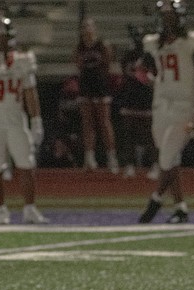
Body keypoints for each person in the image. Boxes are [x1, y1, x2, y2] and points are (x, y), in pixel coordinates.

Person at [138, 0, 194, 224]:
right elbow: (143, 72)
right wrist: (151, 80)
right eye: (164, 16)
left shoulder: (192, 43)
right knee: (170, 159)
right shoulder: (154, 45)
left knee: (167, 157)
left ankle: (155, 199)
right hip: (160, 105)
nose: (167, 21)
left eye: (171, 16)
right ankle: (180, 208)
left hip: (184, 105)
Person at [0, 14, 48, 225]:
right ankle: (1, 210)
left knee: (26, 164)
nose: (0, 42)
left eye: (3, 38)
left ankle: (30, 208)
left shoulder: (23, 62)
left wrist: (36, 120)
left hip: (16, 121)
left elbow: (31, 94)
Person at [74, 16, 119, 173]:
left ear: (94, 28)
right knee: (87, 123)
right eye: (84, 27)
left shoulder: (102, 45)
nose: (87, 29)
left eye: (89, 26)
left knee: (104, 122)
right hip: (86, 85)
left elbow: (108, 63)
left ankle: (111, 157)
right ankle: (89, 158)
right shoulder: (80, 47)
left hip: (100, 85)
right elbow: (78, 65)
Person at [116, 24, 157, 179]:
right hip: (130, 98)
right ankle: (130, 164)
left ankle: (154, 164)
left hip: (146, 98)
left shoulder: (149, 57)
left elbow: (153, 74)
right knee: (129, 135)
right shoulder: (128, 56)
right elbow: (125, 75)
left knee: (149, 135)